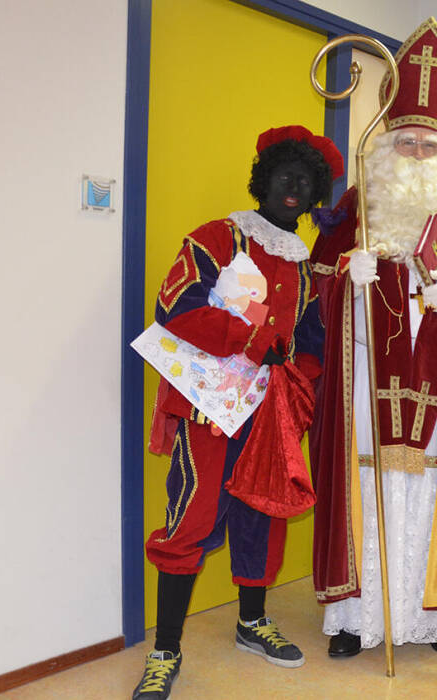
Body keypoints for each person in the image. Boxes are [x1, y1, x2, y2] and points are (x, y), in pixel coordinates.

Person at [309, 17, 437, 659]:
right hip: (366, 381)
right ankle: (355, 619)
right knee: (367, 486)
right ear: (387, 144)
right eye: (407, 142)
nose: (417, 155)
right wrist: (345, 279)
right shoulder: (355, 211)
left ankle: (434, 619)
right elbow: (313, 295)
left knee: (432, 486)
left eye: (429, 146)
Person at [133, 125, 341, 700]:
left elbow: (312, 342)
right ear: (262, 180)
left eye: (307, 180)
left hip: (268, 416)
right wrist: (248, 340)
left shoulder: (305, 267)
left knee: (261, 515)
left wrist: (299, 380)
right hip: (208, 410)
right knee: (191, 519)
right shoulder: (217, 238)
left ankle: (252, 622)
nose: (294, 187)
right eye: (284, 174)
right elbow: (175, 307)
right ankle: (165, 650)